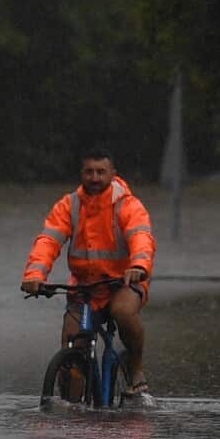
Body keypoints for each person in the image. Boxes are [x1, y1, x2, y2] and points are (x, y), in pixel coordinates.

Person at [20, 148, 156, 396]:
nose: (95, 177)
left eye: (101, 172)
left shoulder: (128, 205)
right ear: (81, 173)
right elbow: (48, 241)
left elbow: (141, 237)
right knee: (72, 344)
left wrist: (138, 267)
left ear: (113, 173)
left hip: (122, 283)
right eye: (89, 172)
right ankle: (71, 404)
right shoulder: (69, 205)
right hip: (84, 288)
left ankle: (136, 367)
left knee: (123, 313)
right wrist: (34, 276)